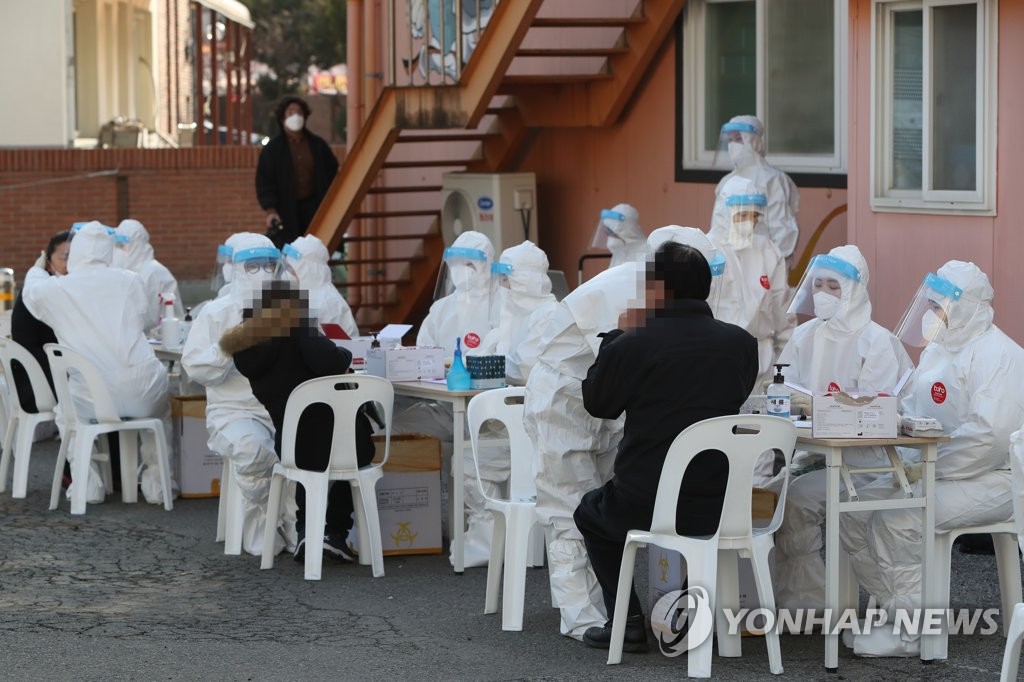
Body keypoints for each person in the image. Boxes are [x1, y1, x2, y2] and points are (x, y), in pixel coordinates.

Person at [520, 226, 716, 639]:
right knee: (567, 507)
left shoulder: (651, 289)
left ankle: (617, 614)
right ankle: (581, 616)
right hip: (564, 400)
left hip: (601, 398)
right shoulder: (629, 291)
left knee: (606, 508)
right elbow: (617, 367)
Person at [573, 241, 759, 651]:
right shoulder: (741, 343)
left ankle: (628, 621)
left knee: (590, 513)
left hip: (647, 499)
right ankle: (690, 613)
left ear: (656, 289)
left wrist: (616, 336)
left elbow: (599, 404)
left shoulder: (634, 342)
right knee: (692, 529)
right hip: (720, 500)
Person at [840, 260, 1024, 657]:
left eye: (941, 309)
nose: (931, 317)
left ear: (967, 308)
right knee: (852, 514)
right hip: (936, 469)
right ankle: (895, 611)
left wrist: (925, 469)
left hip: (996, 478)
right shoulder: (938, 350)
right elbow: (911, 406)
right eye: (931, 306)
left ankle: (913, 634)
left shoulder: (1002, 356)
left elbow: (989, 441)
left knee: (899, 518)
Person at [771, 245, 913, 610]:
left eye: (833, 286)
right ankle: (801, 596)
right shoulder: (805, 336)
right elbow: (781, 388)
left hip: (865, 465)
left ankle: (811, 601)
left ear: (854, 289)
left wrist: (820, 407)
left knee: (797, 500)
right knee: (771, 493)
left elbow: (874, 414)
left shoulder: (878, 341)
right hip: (814, 456)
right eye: (817, 285)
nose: (822, 294)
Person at [22, 221, 173, 505]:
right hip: (144, 392)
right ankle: (158, 486)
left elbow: (31, 293)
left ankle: (87, 486)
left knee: (67, 415)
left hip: (93, 400)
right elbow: (151, 320)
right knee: (161, 415)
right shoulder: (130, 280)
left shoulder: (58, 289)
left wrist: (38, 265)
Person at [219, 280, 372, 562]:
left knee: (310, 455)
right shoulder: (299, 331)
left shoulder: (247, 349)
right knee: (344, 444)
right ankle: (333, 533)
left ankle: (308, 531)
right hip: (341, 444)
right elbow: (332, 361)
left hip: (290, 446)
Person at [181, 233, 287, 556]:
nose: (264, 273)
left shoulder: (291, 309)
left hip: (282, 410)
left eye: (270, 265)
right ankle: (266, 526)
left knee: (309, 453)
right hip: (234, 412)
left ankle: (298, 525)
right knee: (252, 450)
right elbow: (196, 367)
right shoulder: (216, 313)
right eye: (253, 266)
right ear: (236, 269)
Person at [458, 240, 557, 567]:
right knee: (466, 451)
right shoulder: (511, 313)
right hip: (507, 420)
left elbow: (524, 368)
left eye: (507, 278)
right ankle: (490, 541)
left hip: (535, 429)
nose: (501, 286)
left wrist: (485, 365)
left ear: (525, 280)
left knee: (470, 459)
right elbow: (493, 354)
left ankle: (491, 547)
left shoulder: (547, 315)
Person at [708, 177, 794, 394]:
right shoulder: (706, 251)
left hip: (762, 361)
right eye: (742, 215)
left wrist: (789, 360)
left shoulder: (767, 250)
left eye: (753, 216)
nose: (749, 222)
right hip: (717, 360)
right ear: (724, 213)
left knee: (761, 425)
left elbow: (782, 312)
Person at [712, 115, 800, 261]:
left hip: (765, 262)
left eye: (739, 139)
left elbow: (782, 228)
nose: (733, 145)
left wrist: (773, 264)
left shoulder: (772, 179)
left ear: (753, 140)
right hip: (731, 263)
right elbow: (718, 227)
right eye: (730, 140)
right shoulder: (726, 182)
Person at [255, 96, 339, 249]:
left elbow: (332, 173)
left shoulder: (317, 145)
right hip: (285, 211)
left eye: (299, 112)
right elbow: (264, 181)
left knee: (314, 251)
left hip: (315, 208)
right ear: (282, 118)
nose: (296, 116)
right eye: (291, 112)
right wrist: (271, 210)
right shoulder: (273, 149)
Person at [10, 230, 69, 411]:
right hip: (35, 385)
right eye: (65, 258)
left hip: (44, 378)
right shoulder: (44, 293)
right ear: (49, 265)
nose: (71, 264)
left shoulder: (43, 286)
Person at [416, 230, 498, 355]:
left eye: (469, 264)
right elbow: (424, 352)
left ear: (486, 266)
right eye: (455, 264)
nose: (460, 270)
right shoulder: (440, 309)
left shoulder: (499, 305)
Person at [281, 235, 358, 338]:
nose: (288, 272)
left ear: (305, 268)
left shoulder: (327, 302)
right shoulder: (307, 296)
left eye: (291, 266)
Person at [114, 218, 184, 331]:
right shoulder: (123, 271)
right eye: (118, 245)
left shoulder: (154, 272)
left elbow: (149, 318)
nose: (119, 250)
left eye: (122, 245)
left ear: (137, 243)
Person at [591, 204, 647, 269]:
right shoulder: (619, 253)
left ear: (625, 230)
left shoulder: (646, 251)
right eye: (607, 231)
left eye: (611, 231)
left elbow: (649, 277)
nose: (609, 236)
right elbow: (611, 276)